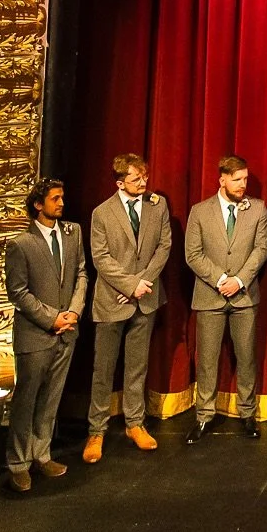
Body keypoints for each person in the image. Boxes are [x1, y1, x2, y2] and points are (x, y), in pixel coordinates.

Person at [83, 151, 171, 464]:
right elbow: (100, 257)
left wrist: (141, 283)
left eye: (144, 177)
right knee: (103, 369)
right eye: (136, 179)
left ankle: (135, 423)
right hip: (112, 301)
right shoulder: (102, 213)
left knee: (137, 366)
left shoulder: (157, 206)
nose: (144, 183)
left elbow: (164, 246)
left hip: (144, 299)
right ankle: (97, 430)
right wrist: (128, 285)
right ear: (120, 183)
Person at [4, 177, 88, 493]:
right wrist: (52, 318)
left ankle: (42, 455)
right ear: (38, 204)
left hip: (68, 331)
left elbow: (81, 274)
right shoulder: (21, 244)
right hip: (36, 335)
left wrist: (74, 313)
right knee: (26, 401)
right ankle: (19, 464)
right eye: (55, 198)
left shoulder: (73, 233)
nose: (61, 203)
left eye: (62, 197)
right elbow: (18, 292)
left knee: (51, 399)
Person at [183, 154, 267, 443]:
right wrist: (222, 280)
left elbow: (262, 249)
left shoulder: (257, 209)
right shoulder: (199, 211)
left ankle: (248, 413)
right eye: (237, 180)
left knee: (246, 357)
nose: (242, 185)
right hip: (210, 296)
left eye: (245, 179)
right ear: (221, 179)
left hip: (244, 297)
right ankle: (203, 416)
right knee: (207, 359)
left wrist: (239, 280)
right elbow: (193, 254)